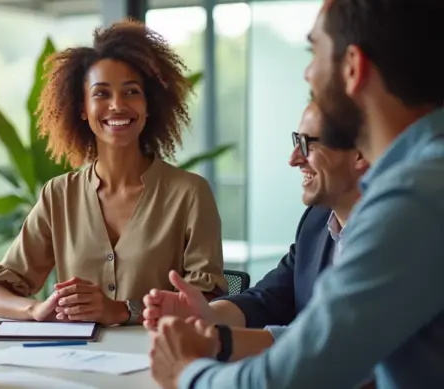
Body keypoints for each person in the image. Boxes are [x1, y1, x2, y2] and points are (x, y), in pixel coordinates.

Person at [150, 0, 444, 389]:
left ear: (352, 67)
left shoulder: (415, 198)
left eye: (314, 51)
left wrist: (187, 373)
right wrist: (216, 334)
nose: (308, 72)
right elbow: (337, 347)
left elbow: (289, 380)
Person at [0, 19, 227, 327]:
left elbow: (210, 301)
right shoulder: (59, 195)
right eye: (101, 94)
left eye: (132, 92)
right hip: (76, 360)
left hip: (161, 357)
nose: (118, 105)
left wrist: (124, 310)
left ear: (149, 105)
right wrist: (35, 310)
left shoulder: (189, 193)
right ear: (82, 108)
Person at [143, 101, 367, 361]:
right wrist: (207, 314)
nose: (293, 159)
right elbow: (268, 298)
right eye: (296, 141)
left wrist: (220, 342)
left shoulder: (393, 236)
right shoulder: (317, 222)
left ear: (359, 153)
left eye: (308, 144)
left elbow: (338, 339)